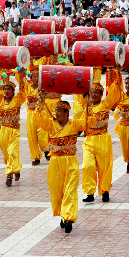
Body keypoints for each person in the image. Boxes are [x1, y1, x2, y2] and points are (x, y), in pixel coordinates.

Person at [36, 99, 95, 233]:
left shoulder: (74, 124)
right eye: (55, 110)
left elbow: (89, 122)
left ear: (66, 113)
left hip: (71, 162)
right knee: (57, 192)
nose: (56, 113)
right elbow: (38, 119)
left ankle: (68, 218)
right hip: (55, 162)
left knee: (70, 190)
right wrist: (40, 103)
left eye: (59, 111)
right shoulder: (51, 125)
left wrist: (88, 104)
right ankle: (63, 214)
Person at [81, 72, 121, 203]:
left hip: (102, 139)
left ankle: (105, 190)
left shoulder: (105, 104)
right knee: (88, 166)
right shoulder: (86, 106)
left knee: (104, 167)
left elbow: (115, 91)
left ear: (101, 94)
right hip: (89, 140)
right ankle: (90, 192)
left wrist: (115, 73)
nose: (93, 94)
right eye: (92, 92)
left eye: (96, 92)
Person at [0, 73, 26, 186]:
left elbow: (23, 91)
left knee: (12, 151)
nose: (6, 91)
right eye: (5, 89)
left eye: (9, 89)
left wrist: (21, 79)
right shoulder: (0, 101)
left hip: (14, 131)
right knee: (6, 154)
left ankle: (9, 175)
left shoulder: (17, 100)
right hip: (4, 130)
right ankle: (16, 167)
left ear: (13, 91)